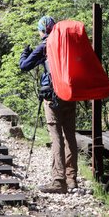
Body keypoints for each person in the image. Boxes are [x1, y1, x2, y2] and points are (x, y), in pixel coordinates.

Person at [19, 15, 78, 194]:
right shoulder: (66, 44)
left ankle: (58, 180)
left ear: (42, 30)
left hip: (52, 97)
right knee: (70, 136)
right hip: (70, 94)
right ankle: (72, 179)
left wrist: (25, 52)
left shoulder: (45, 45)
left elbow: (24, 66)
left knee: (56, 136)